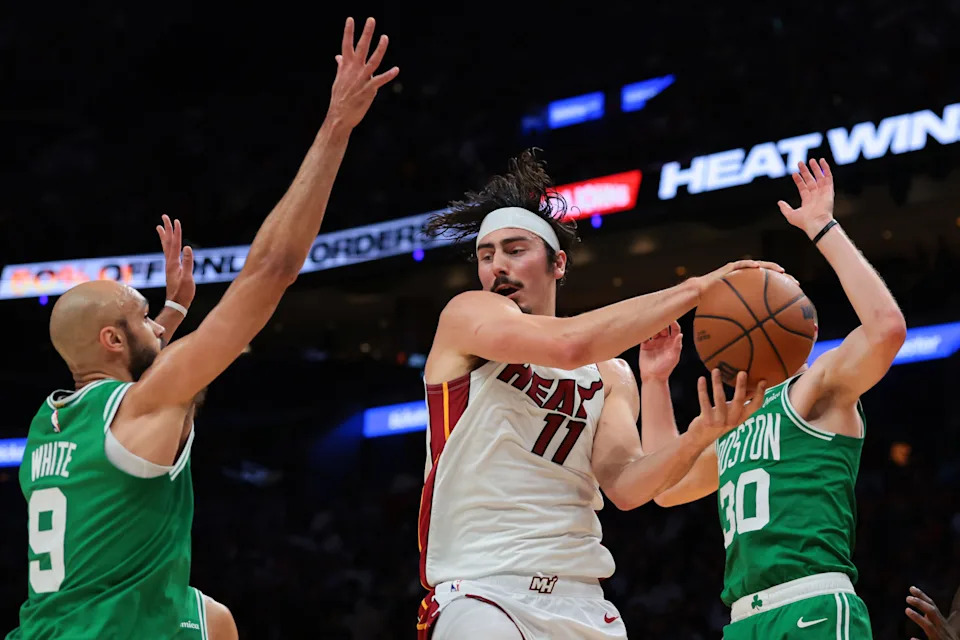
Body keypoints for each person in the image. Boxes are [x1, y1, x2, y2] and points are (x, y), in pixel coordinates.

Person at [5, 16, 397, 639]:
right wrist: (336, 126)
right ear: (113, 340)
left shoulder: (46, 424)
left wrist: (168, 313)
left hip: (46, 628)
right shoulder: (144, 404)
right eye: (142, 320)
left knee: (214, 620)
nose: (158, 332)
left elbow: (124, 356)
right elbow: (271, 270)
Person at [415, 149, 772, 639]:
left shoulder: (610, 374)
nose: (497, 265)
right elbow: (569, 344)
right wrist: (694, 290)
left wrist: (699, 435)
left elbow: (626, 487)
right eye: (486, 254)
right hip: (482, 592)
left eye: (515, 250)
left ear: (557, 262)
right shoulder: (467, 315)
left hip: (583, 601)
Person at [643, 158, 907, 639]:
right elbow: (664, 487)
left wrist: (823, 227)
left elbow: (887, 328)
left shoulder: (819, 387)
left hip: (813, 604)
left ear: (809, 327)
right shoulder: (731, 425)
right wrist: (655, 382)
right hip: (744, 619)